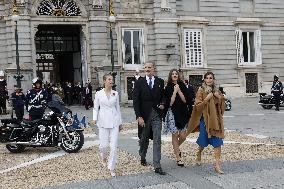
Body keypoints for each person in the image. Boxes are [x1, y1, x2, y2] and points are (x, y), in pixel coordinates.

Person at [187, 72, 225, 174]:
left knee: (218, 143)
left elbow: (222, 108)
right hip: (205, 121)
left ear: (213, 79)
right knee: (203, 142)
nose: (209, 80)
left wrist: (220, 98)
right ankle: (199, 153)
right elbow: (197, 106)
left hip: (216, 121)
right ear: (204, 80)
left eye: (211, 78)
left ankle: (217, 165)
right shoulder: (201, 90)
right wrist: (206, 99)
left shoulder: (217, 91)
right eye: (207, 78)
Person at [133, 61, 166, 175]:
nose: (147, 69)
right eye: (146, 67)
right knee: (144, 139)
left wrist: (162, 103)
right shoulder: (139, 82)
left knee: (157, 140)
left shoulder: (160, 81)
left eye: (149, 67)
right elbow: (136, 101)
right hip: (144, 116)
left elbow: (164, 96)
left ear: (154, 69)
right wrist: (139, 116)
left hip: (157, 115)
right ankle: (142, 156)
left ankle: (157, 165)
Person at [92, 74, 122, 177]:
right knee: (103, 145)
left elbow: (118, 108)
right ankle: (103, 156)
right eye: (109, 79)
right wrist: (94, 118)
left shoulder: (115, 93)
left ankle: (111, 167)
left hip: (114, 122)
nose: (111, 81)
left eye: (112, 79)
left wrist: (120, 123)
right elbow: (96, 107)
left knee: (113, 146)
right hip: (103, 122)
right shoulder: (99, 94)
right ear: (104, 81)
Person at [163, 69, 193, 167]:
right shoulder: (167, 87)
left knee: (183, 136)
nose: (175, 75)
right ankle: (178, 158)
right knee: (175, 135)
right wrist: (174, 91)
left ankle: (175, 148)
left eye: (176, 74)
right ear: (170, 76)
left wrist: (179, 90)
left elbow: (185, 100)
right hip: (172, 113)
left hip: (182, 112)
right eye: (173, 74)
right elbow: (170, 103)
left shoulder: (182, 85)